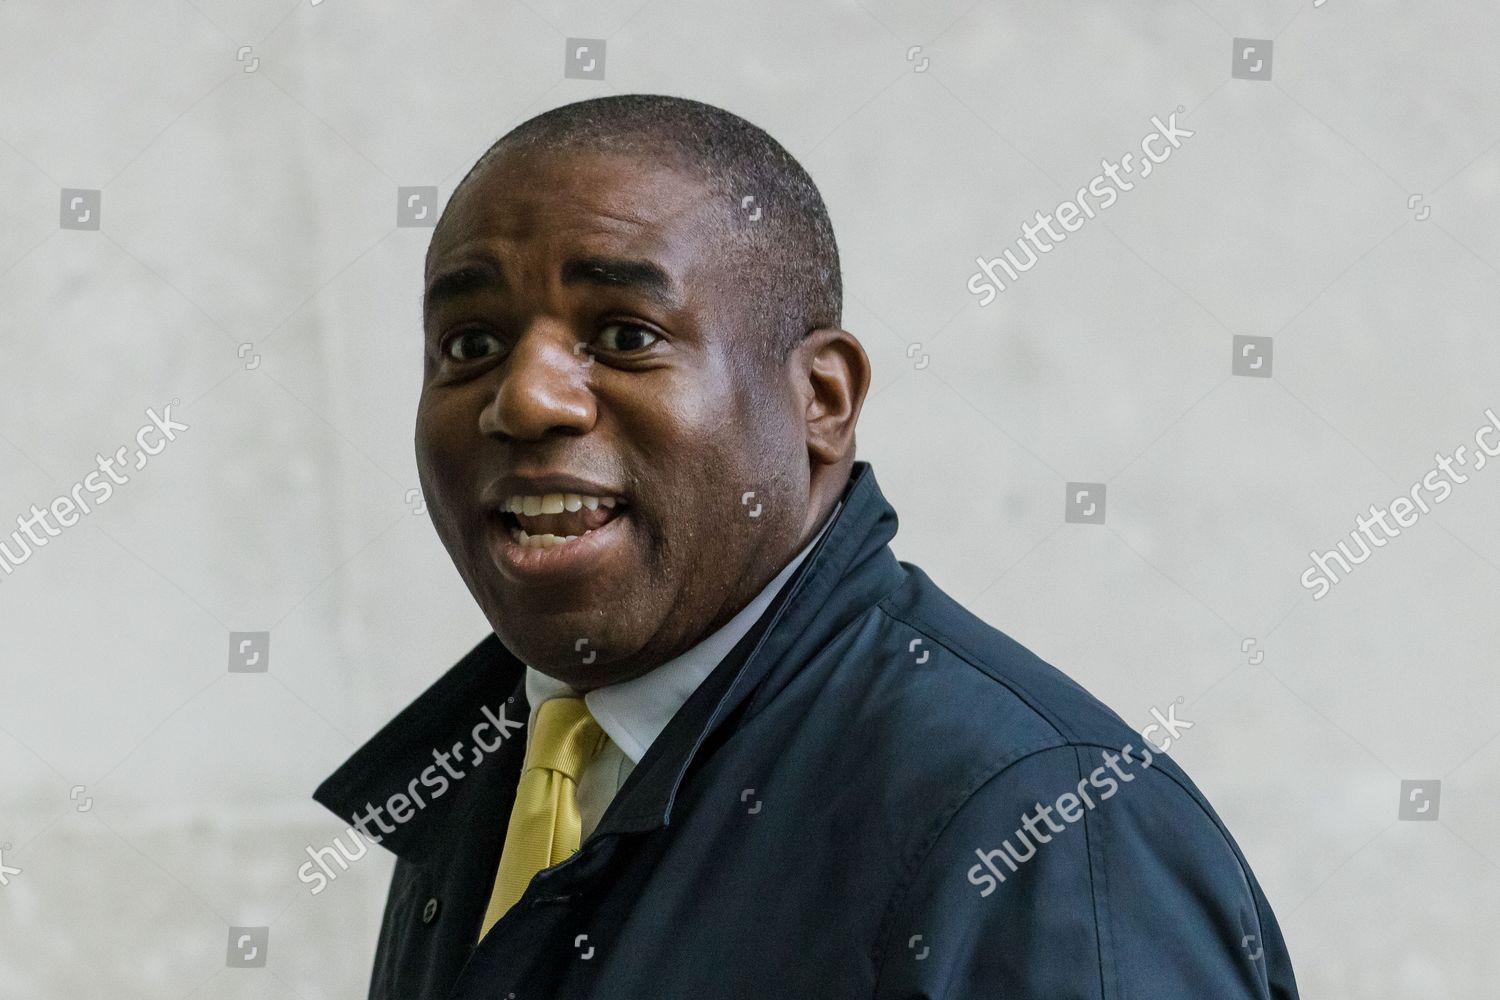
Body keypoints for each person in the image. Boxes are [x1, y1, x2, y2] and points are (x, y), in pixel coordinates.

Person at [314, 93, 1300, 999]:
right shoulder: (504, 766)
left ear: (821, 400)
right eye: (469, 345)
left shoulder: (1044, 825)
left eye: (624, 334)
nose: (524, 399)